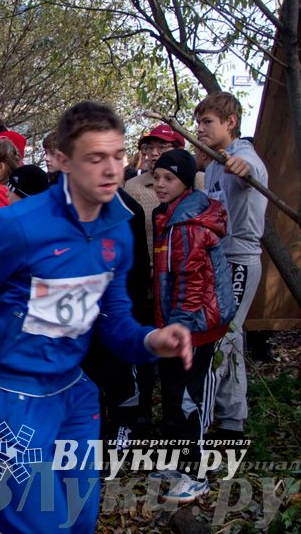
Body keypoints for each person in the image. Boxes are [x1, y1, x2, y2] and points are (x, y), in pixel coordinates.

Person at [0, 101, 193, 534]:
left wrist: (150, 341)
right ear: (62, 160)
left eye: (118, 156)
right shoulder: (16, 226)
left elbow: (113, 320)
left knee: (79, 522)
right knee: (46, 527)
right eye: (95, 158)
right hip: (13, 393)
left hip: (74, 392)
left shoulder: (117, 227)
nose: (111, 170)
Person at [149, 149, 236, 503]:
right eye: (156, 177)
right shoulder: (170, 218)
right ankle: (179, 462)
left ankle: (196, 473)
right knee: (171, 393)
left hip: (195, 328)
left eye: (168, 178)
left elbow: (190, 283)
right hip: (177, 325)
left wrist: (181, 327)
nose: (159, 184)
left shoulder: (187, 224)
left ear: (185, 181)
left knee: (189, 398)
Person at [195, 91, 269, 438]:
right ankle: (232, 421)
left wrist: (242, 168)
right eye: (198, 123)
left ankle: (203, 424)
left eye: (208, 122)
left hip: (239, 260)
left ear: (230, 122)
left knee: (221, 339)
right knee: (232, 339)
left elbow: (247, 171)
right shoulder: (212, 165)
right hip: (218, 261)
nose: (201, 129)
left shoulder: (243, 157)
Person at [125, 125, 204, 264]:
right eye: (149, 147)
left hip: (192, 270)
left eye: (162, 146)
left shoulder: (201, 182)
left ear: (179, 150)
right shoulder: (132, 186)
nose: (154, 153)